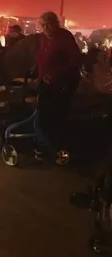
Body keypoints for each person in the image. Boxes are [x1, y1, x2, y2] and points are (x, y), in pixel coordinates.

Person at [33, 11, 82, 157]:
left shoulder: (64, 37)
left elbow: (75, 61)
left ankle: (57, 148)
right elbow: (42, 57)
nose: (46, 27)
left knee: (56, 115)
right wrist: (35, 73)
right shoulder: (43, 38)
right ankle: (45, 145)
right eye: (43, 25)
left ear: (56, 24)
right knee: (42, 114)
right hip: (45, 83)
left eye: (49, 24)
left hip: (63, 83)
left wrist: (56, 74)